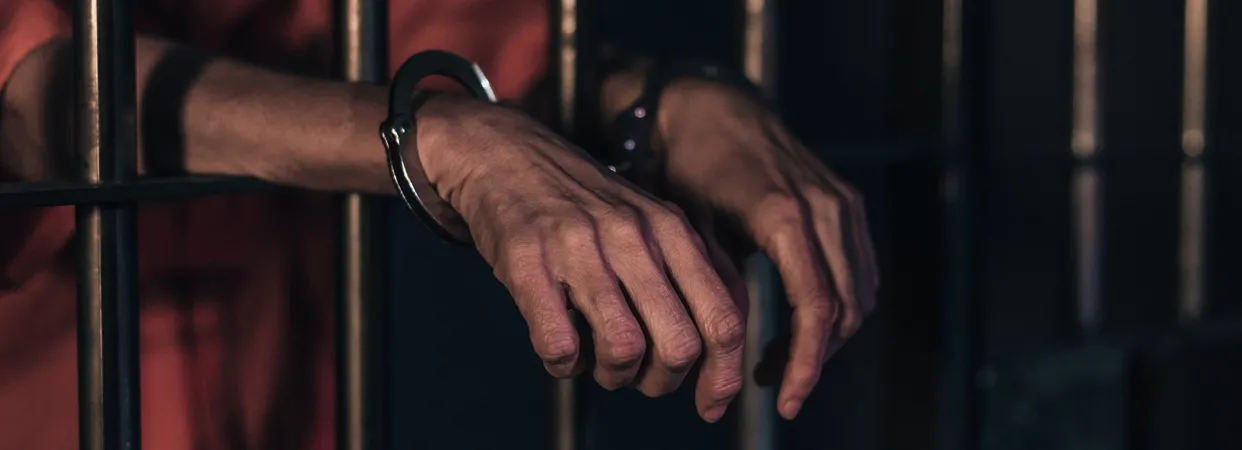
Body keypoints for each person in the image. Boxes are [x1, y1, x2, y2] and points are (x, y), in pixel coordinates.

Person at [0, 0, 877, 448]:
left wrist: (670, 105)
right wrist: (442, 140)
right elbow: (30, 91)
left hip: (287, 403)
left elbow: (461, 36)